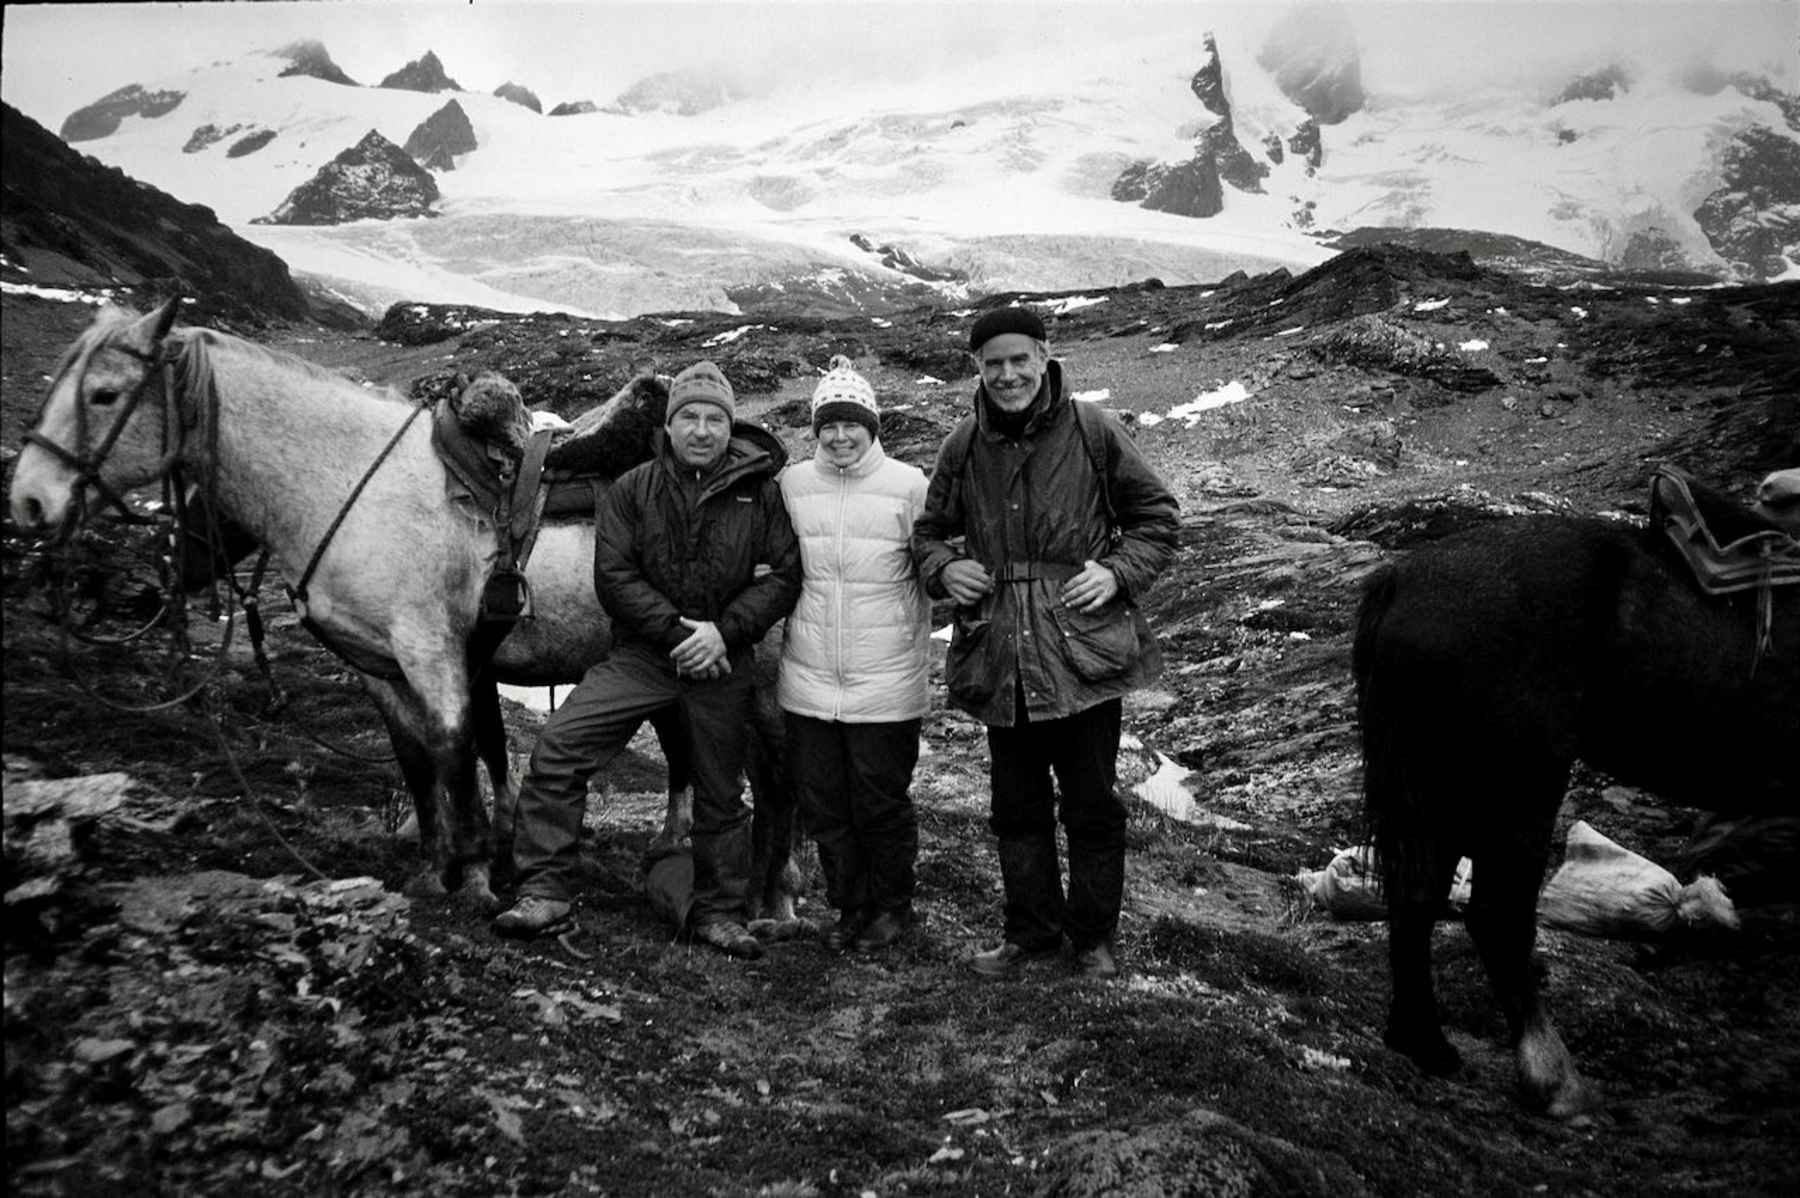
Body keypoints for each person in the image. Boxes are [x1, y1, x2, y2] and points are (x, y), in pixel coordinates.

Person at [493, 360, 801, 958]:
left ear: (730, 427)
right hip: (643, 656)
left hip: (722, 657)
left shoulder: (758, 494)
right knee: (558, 747)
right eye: (690, 416)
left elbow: (783, 574)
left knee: (720, 790)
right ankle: (545, 891)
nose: (703, 429)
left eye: (715, 418)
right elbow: (615, 577)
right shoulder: (634, 488)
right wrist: (677, 634)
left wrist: (723, 633)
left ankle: (717, 910)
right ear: (670, 424)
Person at [911, 308, 1180, 980]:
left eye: (1017, 360)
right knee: (1016, 810)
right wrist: (945, 567)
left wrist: (1117, 574)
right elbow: (927, 534)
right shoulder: (962, 444)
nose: (1007, 376)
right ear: (977, 368)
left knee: (1092, 805)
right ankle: (1030, 936)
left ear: (1043, 356)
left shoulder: (1093, 429)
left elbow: (1156, 517)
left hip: (1082, 657)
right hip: (1000, 657)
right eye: (992, 364)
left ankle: (1092, 941)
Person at [779, 355, 933, 953]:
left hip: (886, 681)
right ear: (814, 430)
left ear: (873, 427)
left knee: (880, 801)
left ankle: (893, 907)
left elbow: (936, 567)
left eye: (852, 424)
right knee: (822, 803)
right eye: (828, 425)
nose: (840, 437)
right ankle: (850, 906)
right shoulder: (792, 485)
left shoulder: (908, 485)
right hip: (809, 680)